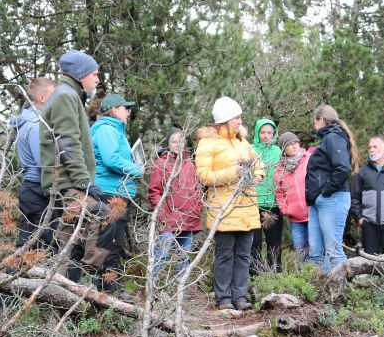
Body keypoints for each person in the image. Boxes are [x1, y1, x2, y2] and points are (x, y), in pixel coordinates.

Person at [39, 50, 112, 284]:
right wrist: (84, 182)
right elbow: (67, 142)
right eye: (94, 74)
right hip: (68, 183)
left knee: (71, 241)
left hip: (70, 182)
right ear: (80, 74)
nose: (97, 79)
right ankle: (92, 276)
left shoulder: (70, 95)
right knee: (103, 214)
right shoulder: (65, 96)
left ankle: (63, 293)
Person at [195, 96, 264, 310]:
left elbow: (258, 162)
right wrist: (233, 172)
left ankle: (240, 297)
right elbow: (204, 175)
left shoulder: (243, 142)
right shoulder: (208, 143)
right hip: (223, 209)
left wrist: (258, 175)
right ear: (225, 119)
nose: (240, 121)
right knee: (225, 255)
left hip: (247, 207)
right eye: (237, 117)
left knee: (244, 255)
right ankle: (223, 298)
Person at [91, 92, 144, 297]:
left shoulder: (114, 130)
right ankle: (107, 290)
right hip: (110, 193)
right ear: (114, 110)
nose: (128, 112)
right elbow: (112, 159)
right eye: (125, 108)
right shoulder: (106, 129)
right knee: (109, 242)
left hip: (117, 192)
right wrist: (137, 169)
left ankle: (110, 287)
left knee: (115, 242)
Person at [305, 104, 359, 273]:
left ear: (320, 120)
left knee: (334, 252)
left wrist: (325, 191)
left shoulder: (333, 137)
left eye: (315, 121)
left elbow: (343, 169)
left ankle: (342, 294)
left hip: (332, 199)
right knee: (315, 253)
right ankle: (319, 294)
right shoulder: (328, 138)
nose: (314, 125)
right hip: (318, 202)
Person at [147, 128, 204, 277]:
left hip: (188, 218)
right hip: (169, 218)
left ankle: (179, 296)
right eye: (174, 141)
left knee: (184, 258)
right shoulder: (160, 164)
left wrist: (197, 209)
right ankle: (151, 291)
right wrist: (162, 213)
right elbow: (154, 192)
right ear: (168, 144)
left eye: (180, 141)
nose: (178, 144)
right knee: (162, 255)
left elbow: (197, 190)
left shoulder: (190, 165)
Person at [10, 78, 57, 248]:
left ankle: (12, 272)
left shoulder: (28, 120)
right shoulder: (37, 124)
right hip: (39, 188)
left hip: (31, 188)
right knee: (52, 239)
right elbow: (44, 161)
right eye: (55, 94)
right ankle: (12, 272)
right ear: (43, 98)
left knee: (27, 241)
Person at [274, 132, 314, 265]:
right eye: (289, 144)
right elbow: (278, 193)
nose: (294, 146)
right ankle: (304, 282)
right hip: (296, 219)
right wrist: (285, 209)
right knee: (301, 253)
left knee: (316, 251)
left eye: (295, 142)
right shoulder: (280, 169)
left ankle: (320, 281)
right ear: (283, 149)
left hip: (313, 214)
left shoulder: (309, 159)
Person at [251, 118, 283, 273]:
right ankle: (254, 276)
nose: (266, 135)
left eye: (269, 132)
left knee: (274, 243)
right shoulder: (250, 149)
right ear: (257, 133)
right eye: (262, 132)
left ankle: (275, 276)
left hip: (273, 204)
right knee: (254, 243)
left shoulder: (278, 151)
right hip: (252, 203)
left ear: (274, 134)